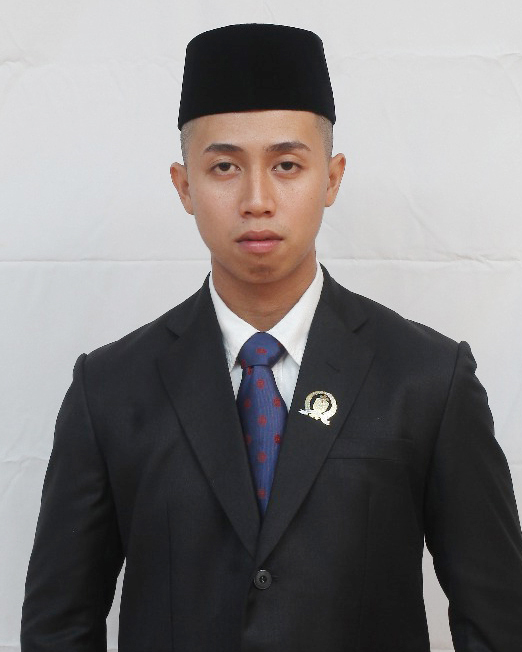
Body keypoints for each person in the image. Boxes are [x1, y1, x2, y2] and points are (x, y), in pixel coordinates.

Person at [21, 23, 522, 652]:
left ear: (332, 178)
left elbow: (499, 621)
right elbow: (59, 627)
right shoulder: (111, 390)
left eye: (287, 165)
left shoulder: (426, 380)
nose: (257, 200)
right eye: (224, 167)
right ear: (184, 186)